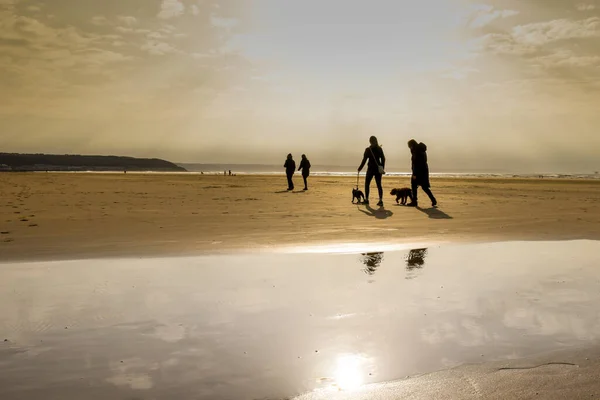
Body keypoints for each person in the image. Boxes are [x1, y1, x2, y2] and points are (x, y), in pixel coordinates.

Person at [407, 139, 437, 207]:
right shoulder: (421, 150)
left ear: (412, 145)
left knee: (414, 186)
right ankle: (433, 200)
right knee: (424, 187)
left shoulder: (416, 151)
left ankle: (414, 201)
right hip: (424, 171)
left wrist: (414, 174)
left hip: (418, 171)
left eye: (409, 146)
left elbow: (416, 163)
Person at [357, 136, 385, 206]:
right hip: (378, 169)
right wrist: (382, 168)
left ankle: (366, 199)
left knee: (367, 184)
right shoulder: (379, 149)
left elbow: (364, 160)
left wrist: (360, 168)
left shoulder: (368, 149)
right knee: (379, 185)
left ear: (370, 141)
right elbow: (383, 159)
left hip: (370, 169)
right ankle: (380, 200)